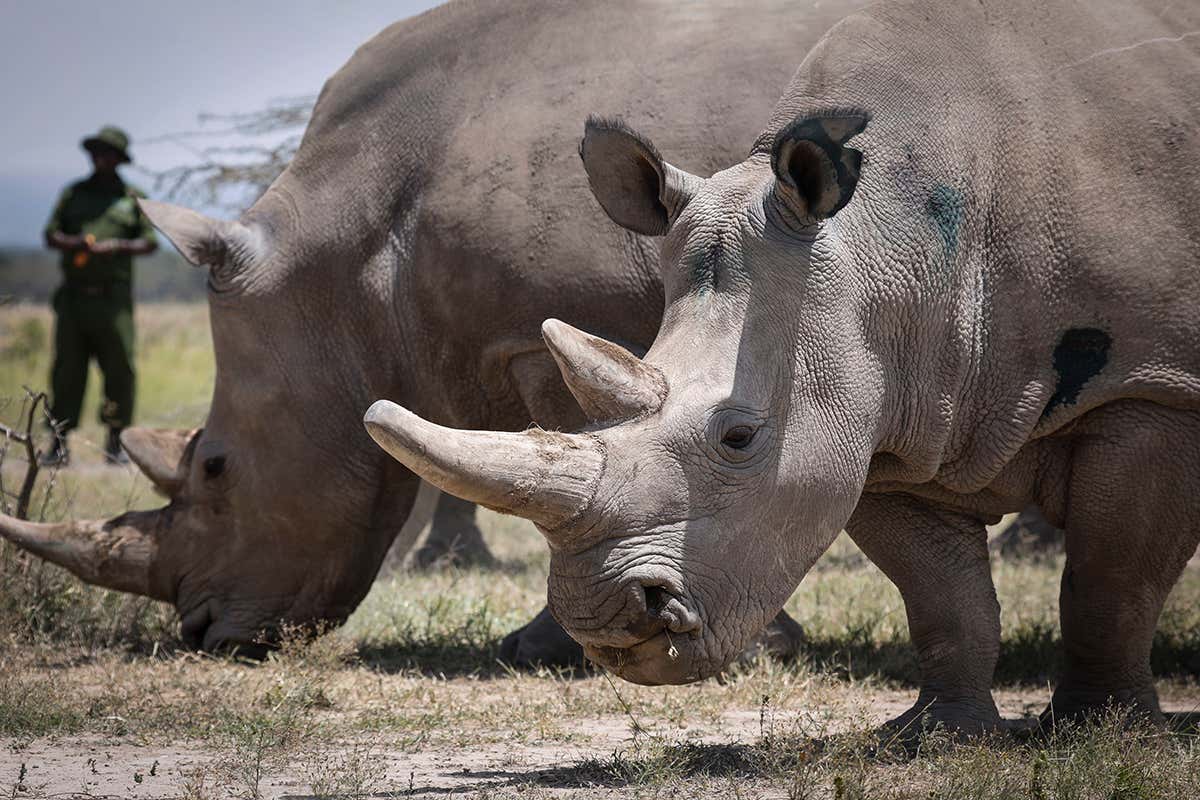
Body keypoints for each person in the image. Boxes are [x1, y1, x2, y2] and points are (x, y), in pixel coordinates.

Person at [41, 126, 157, 466]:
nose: (100, 158)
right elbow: (50, 234)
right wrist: (75, 243)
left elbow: (150, 242)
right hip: (74, 299)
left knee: (120, 369)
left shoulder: (132, 198)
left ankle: (116, 444)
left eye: (107, 152)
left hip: (113, 302)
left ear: (119, 159)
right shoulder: (73, 194)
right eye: (95, 151)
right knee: (67, 372)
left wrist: (118, 247)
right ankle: (58, 445)